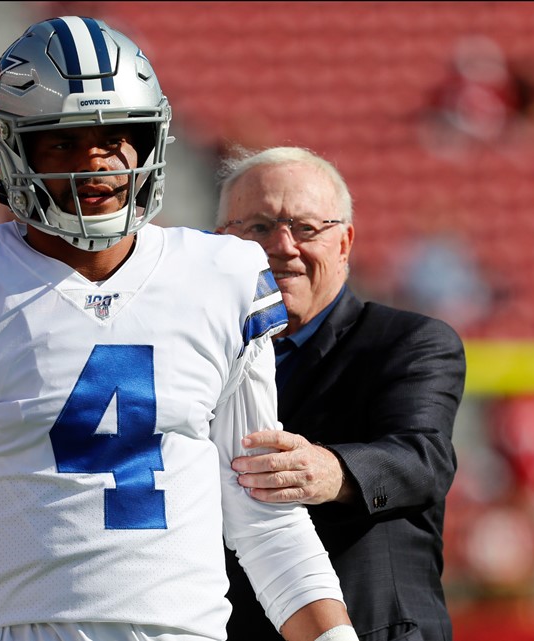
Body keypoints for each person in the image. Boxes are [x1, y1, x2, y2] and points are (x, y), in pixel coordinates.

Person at [0, 17, 354, 641]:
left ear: (150, 141)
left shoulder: (224, 275)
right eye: (63, 142)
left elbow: (266, 517)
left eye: (117, 136)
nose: (97, 163)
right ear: (14, 150)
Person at [215, 147, 467, 641]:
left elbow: (423, 459)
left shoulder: (408, 342)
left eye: (305, 228)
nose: (282, 246)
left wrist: (331, 470)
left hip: (369, 628)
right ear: (220, 244)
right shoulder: (197, 356)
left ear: (345, 243)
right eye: (258, 228)